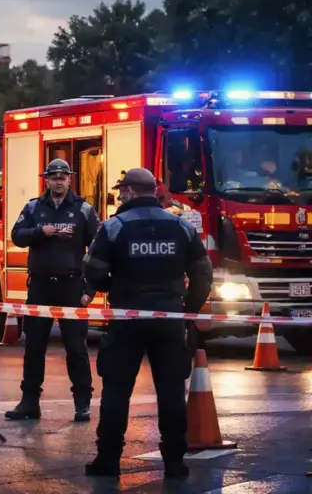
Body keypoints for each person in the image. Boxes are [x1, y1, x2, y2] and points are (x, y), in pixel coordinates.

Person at [82, 168, 213, 479]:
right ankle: (175, 463)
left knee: (116, 390)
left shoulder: (113, 227)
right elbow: (203, 273)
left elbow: (93, 271)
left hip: (127, 319)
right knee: (170, 391)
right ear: (154, 191)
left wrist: (115, 287)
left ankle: (109, 460)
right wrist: (187, 310)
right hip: (169, 319)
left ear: (128, 191)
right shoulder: (180, 226)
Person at [6, 158, 98, 423]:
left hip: (71, 287)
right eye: (53, 177)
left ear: (70, 179)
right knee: (34, 346)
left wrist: (89, 290)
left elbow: (97, 251)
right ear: (46, 180)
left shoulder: (84, 210)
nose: (58, 181)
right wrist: (41, 231)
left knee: (76, 348)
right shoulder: (35, 207)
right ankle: (29, 402)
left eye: (63, 177)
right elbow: (17, 235)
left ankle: (82, 403)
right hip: (41, 286)